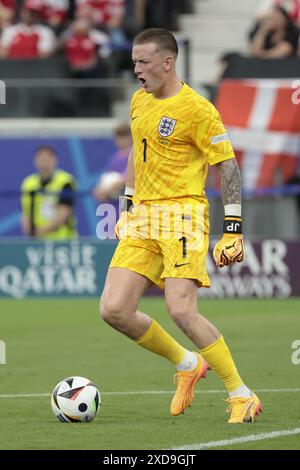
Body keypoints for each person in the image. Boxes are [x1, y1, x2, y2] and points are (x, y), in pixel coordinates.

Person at [100, 28, 262, 424]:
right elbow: (137, 157)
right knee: (114, 309)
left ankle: (242, 393)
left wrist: (234, 229)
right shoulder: (139, 101)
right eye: (134, 61)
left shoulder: (198, 109)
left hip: (183, 214)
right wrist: (127, 206)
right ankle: (188, 363)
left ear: (167, 62)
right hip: (144, 216)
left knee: (181, 310)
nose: (136, 69)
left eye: (143, 62)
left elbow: (228, 167)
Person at [21, 146, 77, 239]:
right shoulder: (28, 183)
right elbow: (25, 213)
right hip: (37, 241)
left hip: (63, 241)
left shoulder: (65, 181)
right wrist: (30, 235)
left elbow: (64, 213)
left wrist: (40, 232)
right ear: (35, 161)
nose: (44, 163)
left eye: (47, 159)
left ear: (55, 160)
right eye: (41, 159)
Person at [93, 123, 132, 201]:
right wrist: (99, 190)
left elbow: (128, 177)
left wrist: (111, 188)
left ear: (131, 137)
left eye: (123, 137)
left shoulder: (134, 157)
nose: (120, 141)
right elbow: (106, 177)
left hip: (129, 202)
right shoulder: (114, 159)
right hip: (114, 204)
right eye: (118, 138)